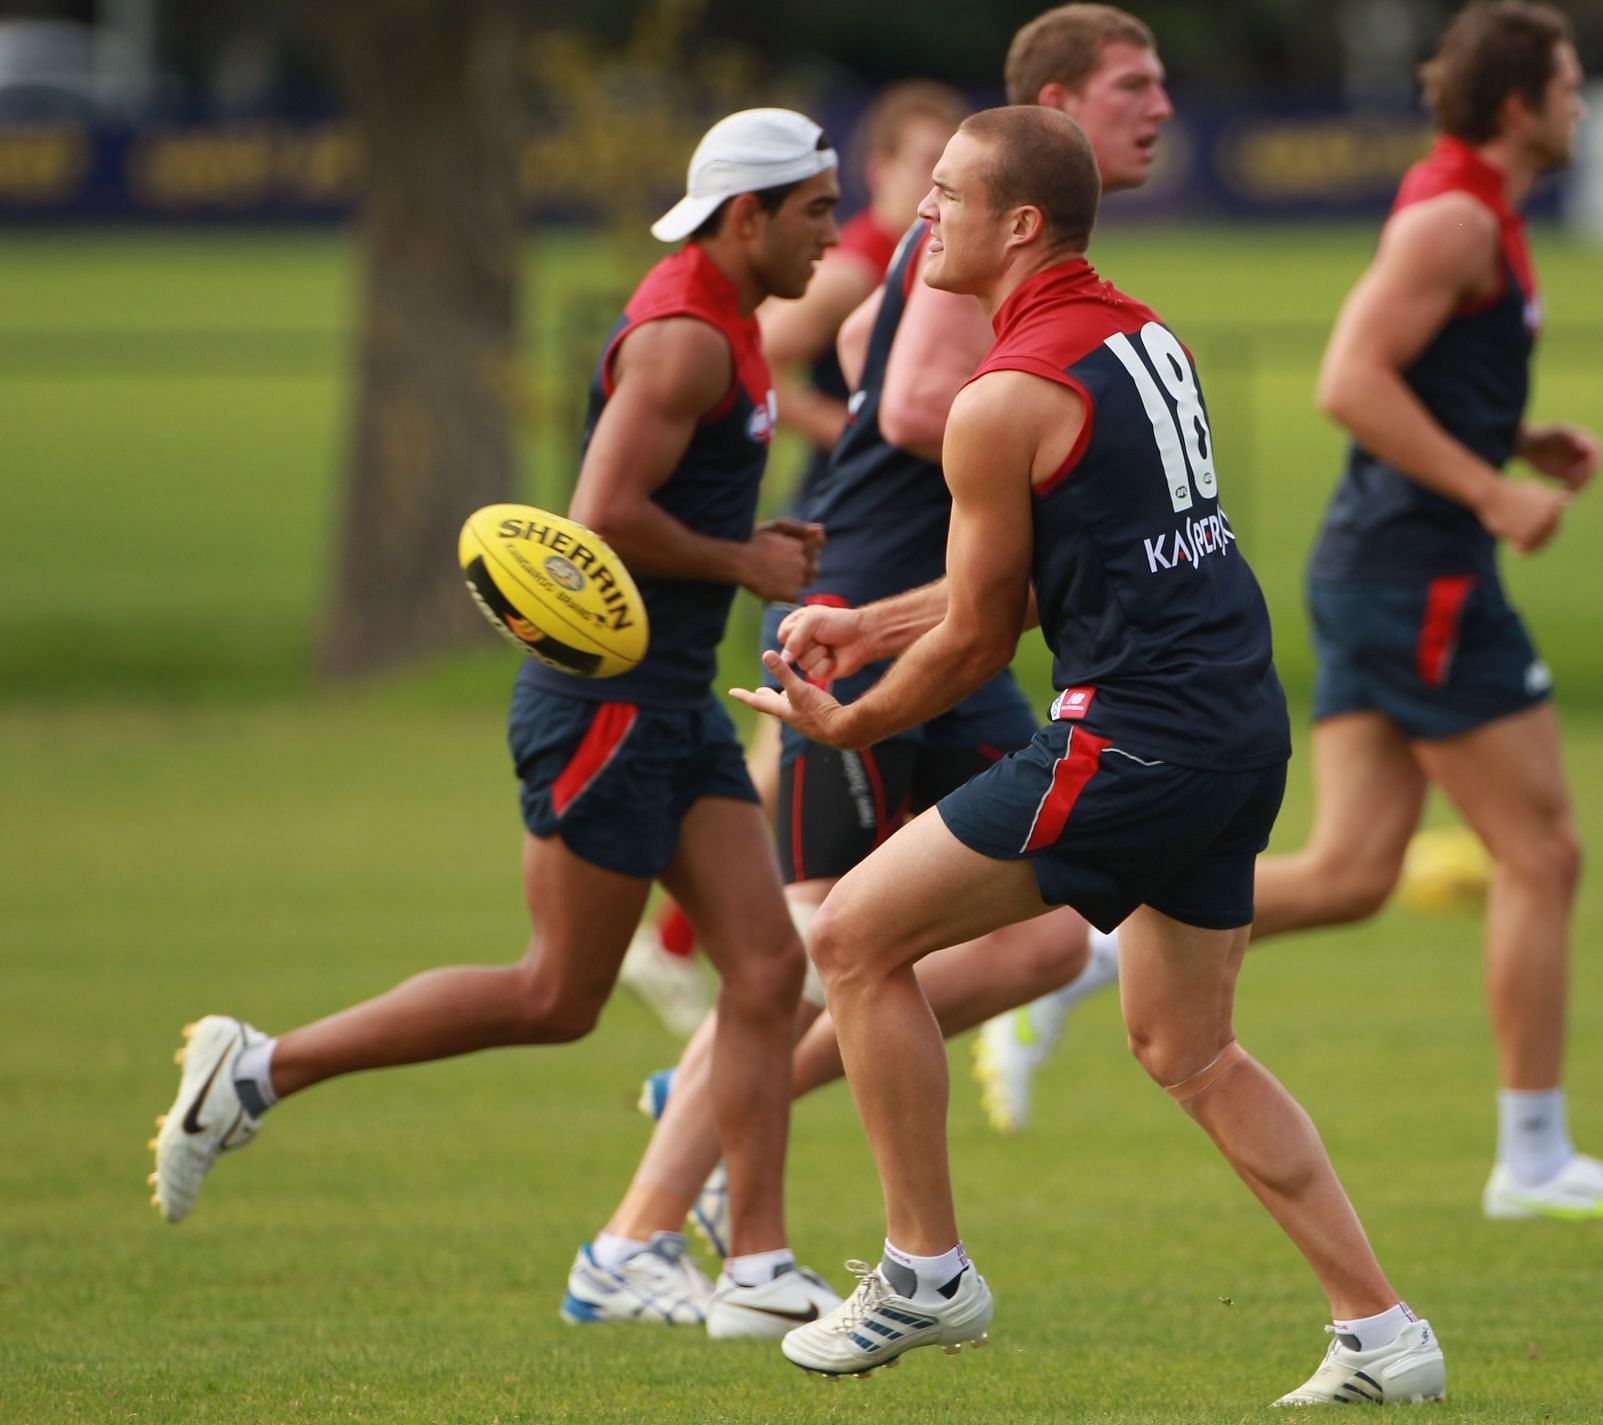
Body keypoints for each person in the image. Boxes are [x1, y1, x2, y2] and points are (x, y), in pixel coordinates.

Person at [740, 105, 1447, 1407]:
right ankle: (1384, 1334)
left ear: (1020, 223)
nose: (925, 215)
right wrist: (868, 619)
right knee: (1190, 1048)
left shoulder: (995, 398)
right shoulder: (1137, 335)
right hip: (1235, 738)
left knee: (852, 938)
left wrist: (854, 718)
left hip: (1133, 741)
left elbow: (975, 644)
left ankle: (924, 1272)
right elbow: (1023, 585)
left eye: (948, 194)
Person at [150, 108, 845, 1339]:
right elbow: (600, 512)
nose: (829, 235)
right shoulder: (684, 337)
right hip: (606, 709)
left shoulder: (731, 317)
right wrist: (745, 561)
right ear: (750, 217)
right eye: (815, 212)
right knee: (555, 998)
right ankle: (257, 1069)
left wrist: (744, 558)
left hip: (670, 702)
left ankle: (757, 1269)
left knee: (766, 966)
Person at [1004, 3, 1603, 1221]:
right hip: (1419, 574)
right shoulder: (1454, 213)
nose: (1583, 103)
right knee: (1543, 852)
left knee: (1359, 868)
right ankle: (1534, 1161)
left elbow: (1418, 370)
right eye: (1572, 83)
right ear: (1521, 102)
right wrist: (1494, 490)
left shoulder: (1474, 205)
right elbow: (1351, 378)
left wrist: (1510, 433)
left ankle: (1083, 961)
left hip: (1392, 570)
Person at [577, 3, 1180, 1288]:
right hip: (878, 621)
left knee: (1032, 936)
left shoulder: (1001, 266)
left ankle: (728, 1118)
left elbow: (862, 342)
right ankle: (643, 1226)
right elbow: (903, 391)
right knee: (809, 952)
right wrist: (1028, 447)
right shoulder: (980, 256)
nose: (1161, 108)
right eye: (1135, 86)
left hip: (936, 616)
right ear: (1055, 120)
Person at [617, 80, 971, 1042]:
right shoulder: (855, 263)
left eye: (957, 163)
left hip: (837, 539)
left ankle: (693, 939)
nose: (943, 184)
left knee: (789, 751)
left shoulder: (900, 261)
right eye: (926, 162)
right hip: (832, 533)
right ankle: (701, 941)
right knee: (798, 742)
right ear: (882, 169)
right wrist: (860, 424)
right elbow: (765, 351)